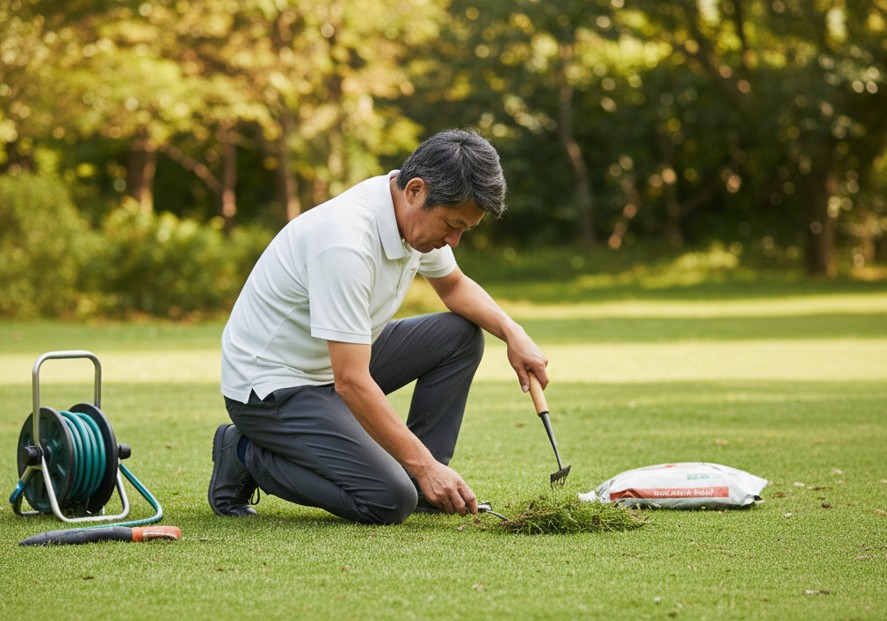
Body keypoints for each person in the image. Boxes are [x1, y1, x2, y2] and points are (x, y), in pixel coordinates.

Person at [208, 128, 548, 524]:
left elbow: (454, 286)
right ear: (416, 190)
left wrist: (513, 332)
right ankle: (243, 453)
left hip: (333, 363)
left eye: (464, 230)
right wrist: (422, 466)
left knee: (460, 335)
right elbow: (350, 381)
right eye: (452, 225)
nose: (454, 241)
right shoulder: (345, 242)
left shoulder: (408, 214)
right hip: (270, 387)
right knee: (388, 500)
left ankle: (425, 482)